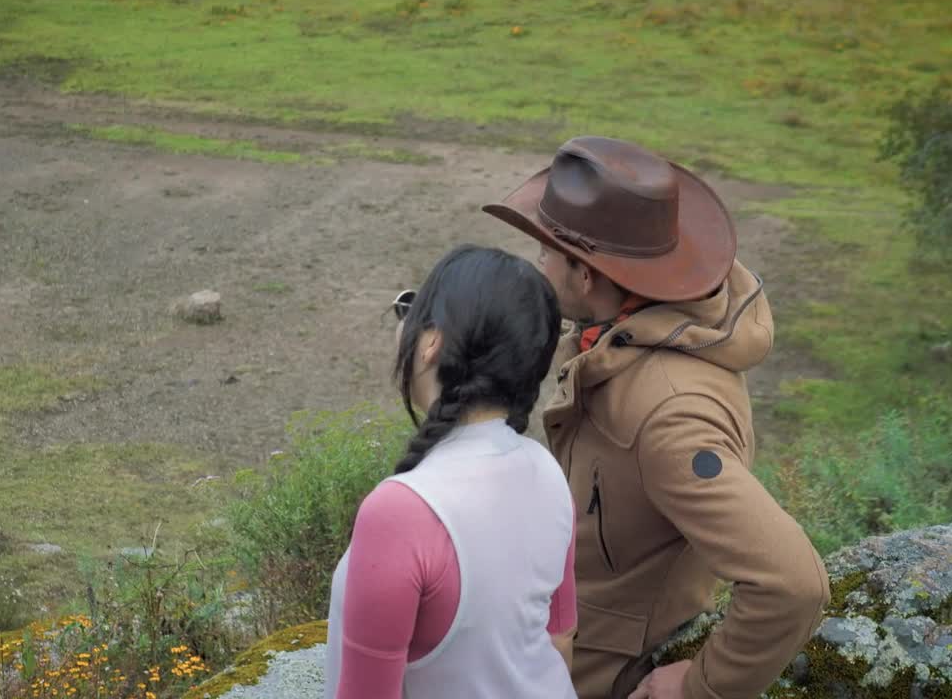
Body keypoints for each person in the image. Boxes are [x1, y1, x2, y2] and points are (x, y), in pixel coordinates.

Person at [482, 137, 831, 699]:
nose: (538, 264)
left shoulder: (667, 414)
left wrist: (701, 685)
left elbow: (793, 584)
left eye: (546, 251)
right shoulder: (627, 341)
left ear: (588, 274)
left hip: (592, 679)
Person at [322, 245, 578, 699]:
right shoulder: (547, 471)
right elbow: (559, 643)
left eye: (410, 309)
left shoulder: (401, 511)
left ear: (431, 341)